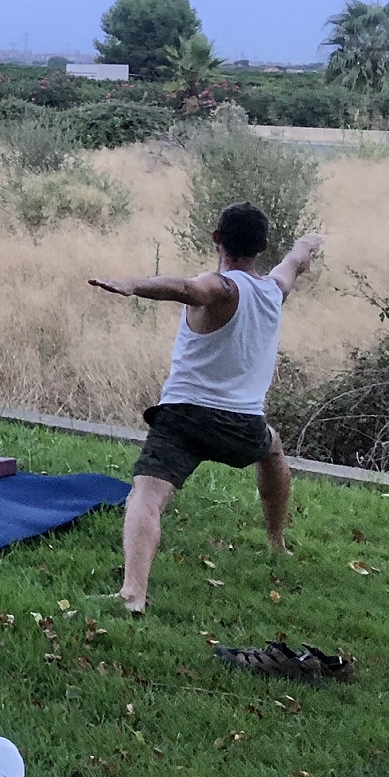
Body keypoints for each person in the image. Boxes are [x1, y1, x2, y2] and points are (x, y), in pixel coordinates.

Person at [88, 203, 323, 615]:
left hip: (184, 419)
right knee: (272, 449)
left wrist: (131, 284)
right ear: (263, 246)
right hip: (242, 427)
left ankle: (133, 594)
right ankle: (276, 543)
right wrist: (311, 241)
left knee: (146, 495)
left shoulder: (221, 287)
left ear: (217, 238)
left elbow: (189, 289)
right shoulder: (274, 289)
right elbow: (296, 260)